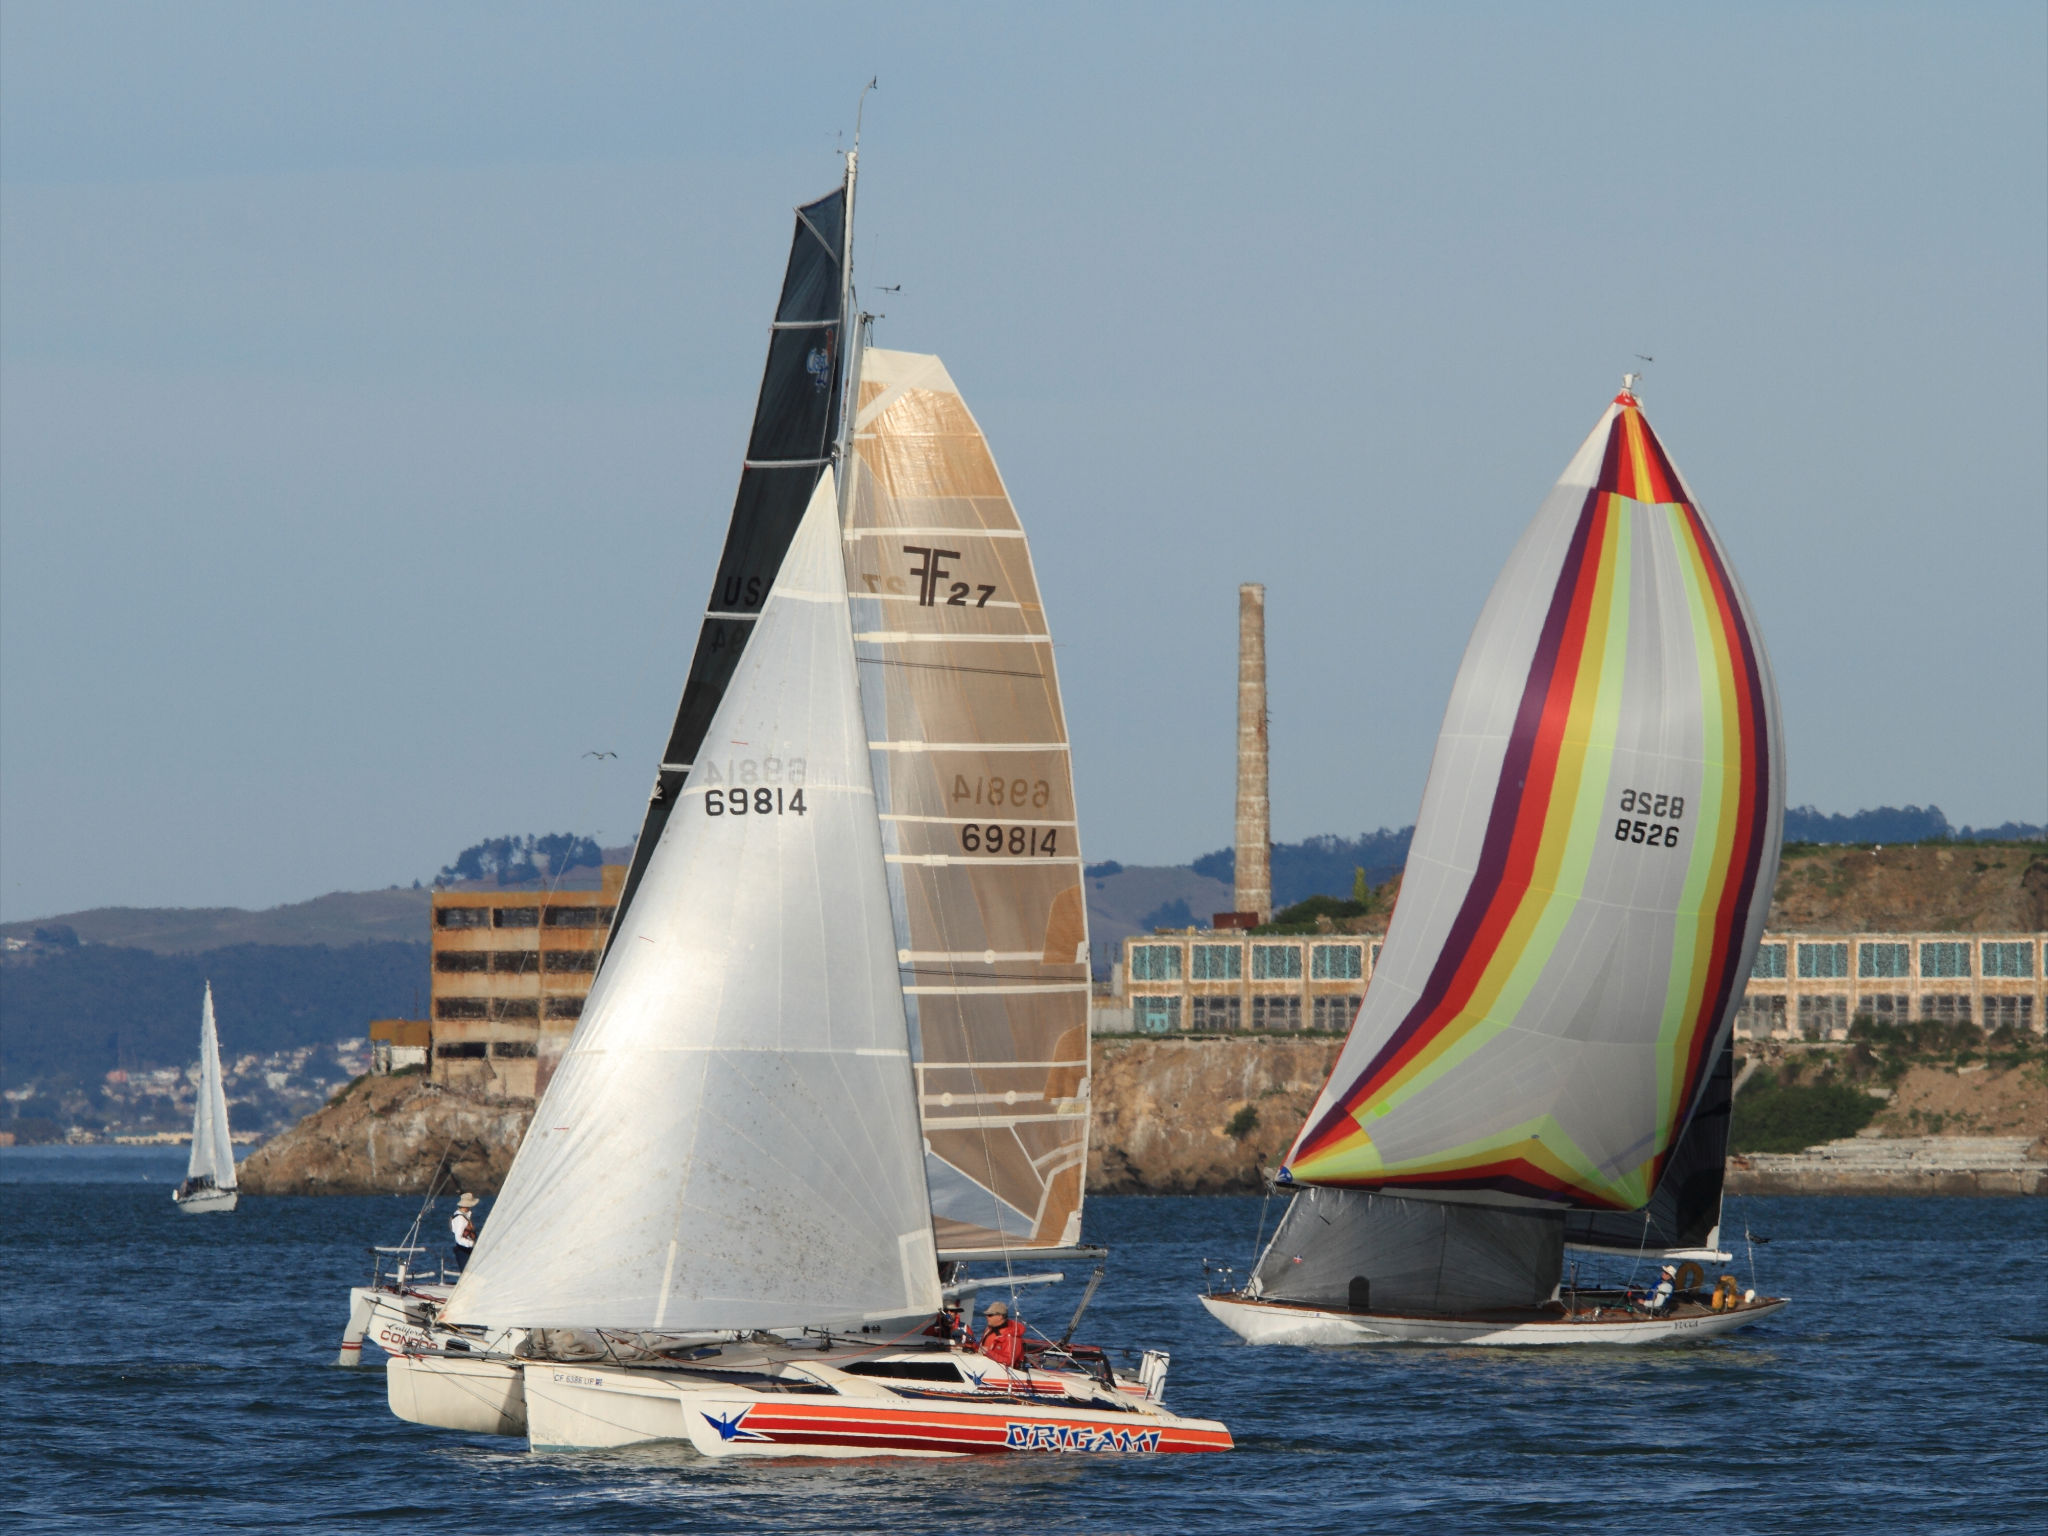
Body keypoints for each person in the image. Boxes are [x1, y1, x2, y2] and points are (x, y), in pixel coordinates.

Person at [977, 1299, 1025, 1368]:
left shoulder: (1011, 1336)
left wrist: (988, 1352)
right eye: (987, 1315)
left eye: (990, 1315)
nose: (986, 1317)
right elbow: (982, 1348)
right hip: (984, 1364)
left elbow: (1009, 1361)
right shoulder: (989, 1329)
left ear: (1000, 1316)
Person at [450, 1192, 480, 1272]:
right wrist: (472, 1244)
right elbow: (458, 1238)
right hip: (463, 1250)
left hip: (466, 1249)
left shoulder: (463, 1215)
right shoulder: (460, 1218)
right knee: (466, 1273)